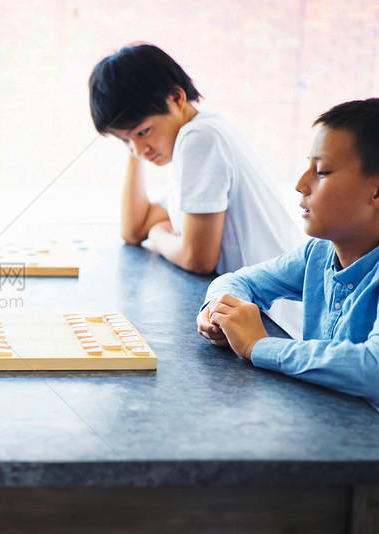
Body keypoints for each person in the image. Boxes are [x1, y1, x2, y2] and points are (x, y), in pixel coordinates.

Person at [180, 98, 379, 534]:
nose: (300, 185)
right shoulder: (317, 253)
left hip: (365, 489)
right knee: (172, 521)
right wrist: (218, 310)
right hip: (320, 461)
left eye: (322, 172)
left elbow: (373, 369)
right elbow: (239, 281)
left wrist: (259, 346)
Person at [87, 43, 304, 336]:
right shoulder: (198, 134)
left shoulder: (200, 139)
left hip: (280, 319)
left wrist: (158, 235)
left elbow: (197, 258)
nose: (138, 149)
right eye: (124, 140)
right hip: (263, 310)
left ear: (177, 98)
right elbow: (133, 228)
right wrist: (134, 148)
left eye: (142, 131)